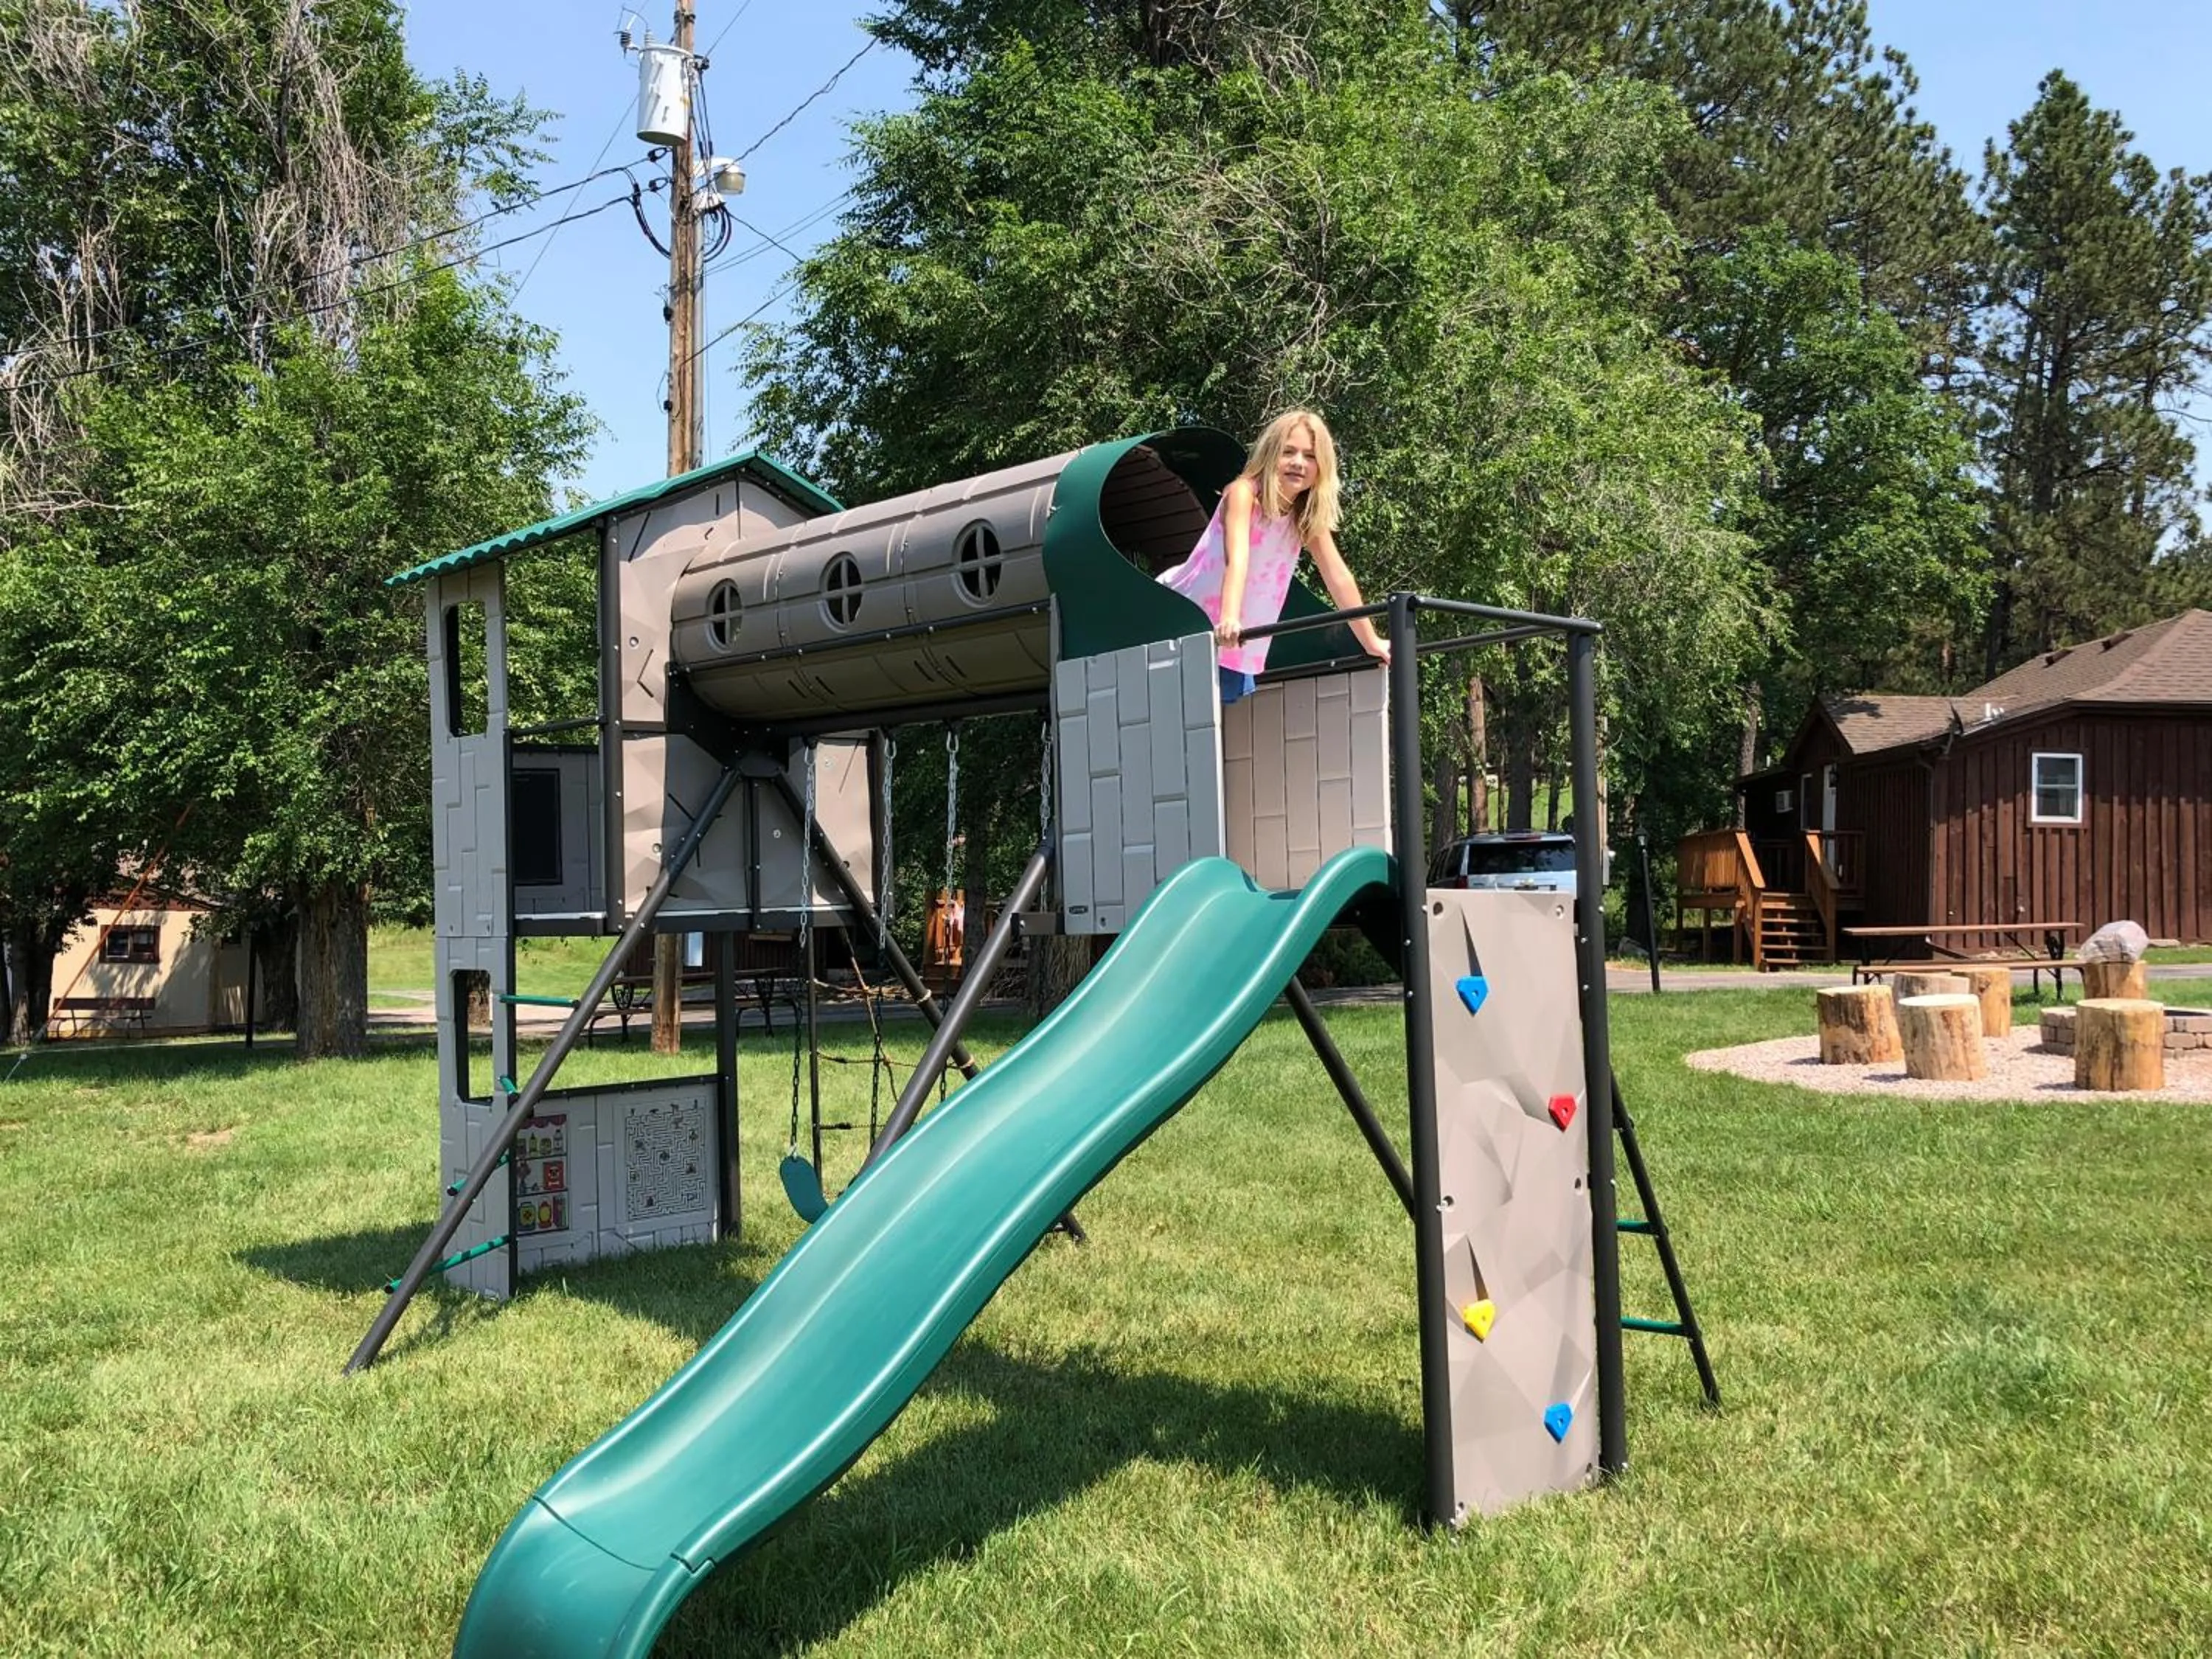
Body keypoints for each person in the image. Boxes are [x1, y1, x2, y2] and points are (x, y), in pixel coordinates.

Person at [1156, 407, 1390, 706]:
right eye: (1288, 452)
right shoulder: (1244, 494)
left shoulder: (1304, 516)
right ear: (1270, 455)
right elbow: (1236, 558)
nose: (1298, 463)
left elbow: (1338, 576)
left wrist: (1370, 641)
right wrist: (1229, 617)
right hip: (1191, 611)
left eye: (1310, 455)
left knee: (1204, 713)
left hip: (1238, 634)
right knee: (1174, 705)